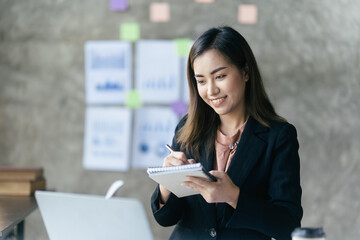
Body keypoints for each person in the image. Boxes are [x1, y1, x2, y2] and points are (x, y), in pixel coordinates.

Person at [150, 26, 303, 240]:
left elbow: (288, 225)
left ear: (246, 72)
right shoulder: (187, 129)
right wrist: (166, 185)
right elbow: (166, 218)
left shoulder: (278, 136)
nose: (211, 90)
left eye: (220, 76)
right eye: (201, 81)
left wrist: (234, 197)